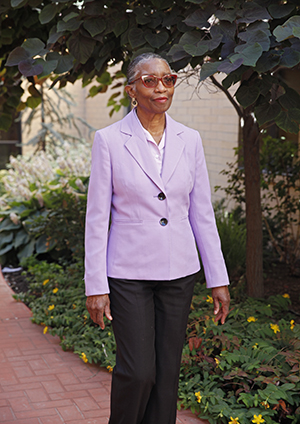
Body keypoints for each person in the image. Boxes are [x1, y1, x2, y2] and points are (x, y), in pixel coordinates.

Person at [84, 52, 230, 424]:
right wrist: (95, 285)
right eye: (149, 80)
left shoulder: (190, 139)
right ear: (132, 89)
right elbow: (97, 218)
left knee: (167, 376)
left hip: (179, 272)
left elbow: (202, 214)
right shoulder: (110, 140)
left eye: (168, 79)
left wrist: (218, 278)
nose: (161, 87)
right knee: (138, 372)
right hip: (127, 274)